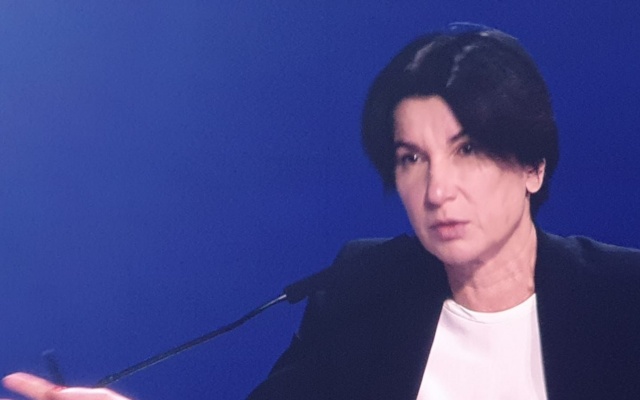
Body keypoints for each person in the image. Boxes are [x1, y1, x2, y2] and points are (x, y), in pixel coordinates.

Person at [4, 25, 640, 400]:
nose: (437, 190)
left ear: (533, 165)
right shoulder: (364, 288)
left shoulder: (623, 296)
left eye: (467, 150)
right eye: (411, 158)